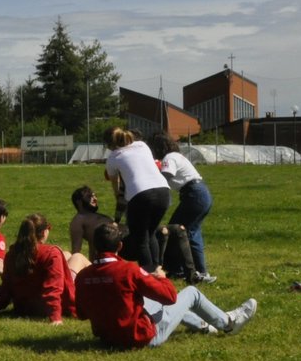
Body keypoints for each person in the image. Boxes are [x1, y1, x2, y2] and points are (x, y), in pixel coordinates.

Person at [75, 223, 257, 348]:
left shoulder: (83, 276)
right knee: (191, 293)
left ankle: (204, 326)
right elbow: (170, 297)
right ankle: (228, 324)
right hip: (142, 337)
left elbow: (82, 314)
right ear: (120, 246)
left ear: (94, 245)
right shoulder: (129, 270)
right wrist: (160, 278)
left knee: (146, 298)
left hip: (108, 339)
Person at [0, 213, 87, 323]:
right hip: (46, 308)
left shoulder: (13, 253)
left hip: (24, 307)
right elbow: (53, 288)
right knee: (78, 257)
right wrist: (55, 318)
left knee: (66, 254)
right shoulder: (51, 253)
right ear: (44, 232)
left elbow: (6, 288)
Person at [149, 130, 215, 283]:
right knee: (193, 232)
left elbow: (165, 177)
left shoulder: (169, 158)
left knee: (177, 231)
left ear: (157, 147)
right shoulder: (176, 156)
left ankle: (178, 270)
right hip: (201, 193)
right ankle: (201, 271)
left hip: (193, 195)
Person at [103, 127, 169, 271]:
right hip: (163, 192)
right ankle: (157, 270)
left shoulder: (113, 157)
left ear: (109, 145)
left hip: (140, 195)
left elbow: (117, 186)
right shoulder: (143, 145)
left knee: (140, 239)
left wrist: (119, 205)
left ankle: (147, 275)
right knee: (150, 233)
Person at [68, 185, 113, 257]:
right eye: (89, 197)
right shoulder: (78, 220)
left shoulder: (100, 216)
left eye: (95, 196)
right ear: (79, 202)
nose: (95, 199)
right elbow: (76, 252)